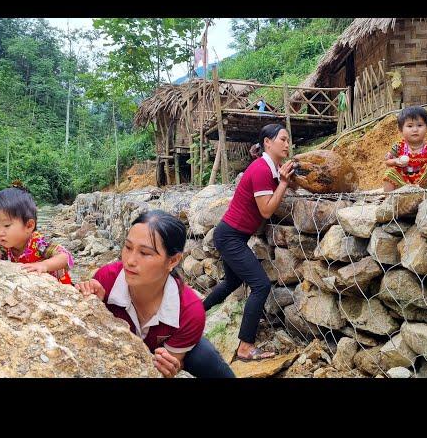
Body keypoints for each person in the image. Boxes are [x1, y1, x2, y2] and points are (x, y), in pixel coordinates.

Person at [76, 210, 235, 378]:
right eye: (128, 247)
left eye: (144, 253)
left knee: (204, 357)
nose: (130, 261)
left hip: (164, 350)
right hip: (119, 349)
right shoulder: (105, 280)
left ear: (173, 261)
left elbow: (166, 366)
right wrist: (91, 305)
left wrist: (171, 366)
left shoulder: (189, 310)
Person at [203, 123, 295, 361]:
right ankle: (245, 346)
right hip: (231, 236)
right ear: (267, 142)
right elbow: (265, 211)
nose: (287, 144)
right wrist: (284, 184)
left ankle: (195, 314)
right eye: (282, 139)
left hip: (232, 235)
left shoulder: (269, 167)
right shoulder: (261, 170)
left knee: (231, 282)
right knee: (262, 285)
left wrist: (286, 179)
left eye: (288, 140)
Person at [0, 183, 74, 284]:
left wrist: (44, 265)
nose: (0, 233)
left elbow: (65, 256)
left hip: (57, 285)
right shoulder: (4, 243)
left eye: (7, 225)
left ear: (29, 226)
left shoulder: (38, 243)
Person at [382, 106, 427, 192]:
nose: (415, 129)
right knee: (389, 172)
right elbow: (387, 162)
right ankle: (389, 201)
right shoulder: (398, 146)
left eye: (419, 125)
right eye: (410, 126)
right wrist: (396, 161)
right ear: (401, 129)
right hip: (403, 185)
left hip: (424, 185)